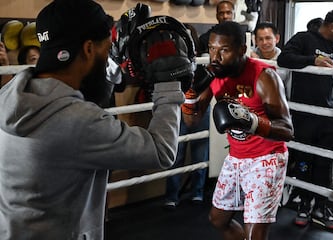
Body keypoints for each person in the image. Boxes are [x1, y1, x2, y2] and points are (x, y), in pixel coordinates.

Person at [0, 0, 196, 239]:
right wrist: (168, 81)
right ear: (89, 49)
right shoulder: (76, 121)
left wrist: (112, 63)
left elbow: (88, 100)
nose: (108, 51)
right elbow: (161, 151)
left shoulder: (12, 97)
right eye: (107, 46)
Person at [182, 21, 293, 240]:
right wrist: (190, 96)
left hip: (266, 159)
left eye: (224, 50)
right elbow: (192, 121)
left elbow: (287, 130)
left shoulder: (264, 76)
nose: (215, 57)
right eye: (212, 49)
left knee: (256, 235)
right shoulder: (215, 75)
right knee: (218, 219)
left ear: (242, 49)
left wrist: (251, 121)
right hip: (236, 158)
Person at [277, 9, 333, 230]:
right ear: (331, 26)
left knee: (324, 163)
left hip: (328, 116)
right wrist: (312, 59)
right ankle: (303, 205)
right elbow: (284, 59)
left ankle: (321, 206)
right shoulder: (303, 38)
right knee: (304, 162)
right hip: (304, 116)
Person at [163, 23, 211, 209]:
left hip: (200, 108)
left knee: (200, 154)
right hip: (178, 109)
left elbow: (208, 87)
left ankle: (197, 193)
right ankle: (172, 196)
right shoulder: (169, 62)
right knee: (176, 155)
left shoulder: (203, 61)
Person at [250, 21, 291, 99]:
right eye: (260, 39)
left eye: (268, 38)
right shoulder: (249, 55)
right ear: (255, 40)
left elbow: (273, 81)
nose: (264, 42)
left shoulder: (284, 59)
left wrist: (258, 63)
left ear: (277, 38)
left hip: (276, 100)